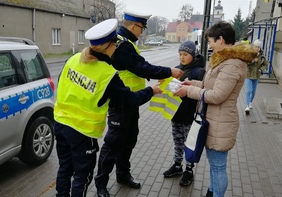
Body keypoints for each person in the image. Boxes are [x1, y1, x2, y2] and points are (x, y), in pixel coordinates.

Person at [53, 18, 162, 197]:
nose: (116, 48)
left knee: (65, 167)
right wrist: (152, 90)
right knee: (82, 175)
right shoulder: (107, 73)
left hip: (60, 123)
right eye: (115, 45)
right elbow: (129, 100)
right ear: (108, 46)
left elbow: (63, 84)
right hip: (82, 132)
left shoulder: (72, 59)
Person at [94, 11, 183, 195]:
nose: (141, 32)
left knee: (129, 139)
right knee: (113, 143)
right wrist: (169, 71)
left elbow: (139, 65)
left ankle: (122, 174)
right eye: (141, 28)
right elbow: (141, 68)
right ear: (133, 26)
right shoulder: (121, 45)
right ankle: (101, 183)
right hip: (121, 102)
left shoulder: (126, 43)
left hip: (132, 101)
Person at [173, 21, 257, 197]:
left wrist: (188, 90)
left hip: (221, 122)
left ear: (220, 39)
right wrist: (192, 83)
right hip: (213, 119)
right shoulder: (223, 59)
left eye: (211, 41)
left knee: (218, 166)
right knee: (214, 165)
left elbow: (217, 95)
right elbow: (208, 85)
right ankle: (212, 192)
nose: (209, 45)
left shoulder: (232, 64)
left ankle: (217, 193)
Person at [163, 41, 206, 186]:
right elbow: (170, 89)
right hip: (176, 114)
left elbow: (201, 93)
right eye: (180, 54)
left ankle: (189, 170)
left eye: (185, 54)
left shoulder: (199, 72)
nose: (182, 57)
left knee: (189, 143)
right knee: (177, 141)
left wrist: (186, 90)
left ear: (193, 55)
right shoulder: (176, 69)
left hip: (190, 115)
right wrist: (164, 82)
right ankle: (177, 166)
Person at [245, 39, 268, 115]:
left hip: (256, 75)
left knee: (253, 91)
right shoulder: (249, 54)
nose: (257, 48)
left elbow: (265, 65)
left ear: (260, 48)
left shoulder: (262, 56)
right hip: (248, 75)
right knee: (248, 91)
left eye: (259, 47)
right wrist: (252, 60)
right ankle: (247, 106)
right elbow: (245, 62)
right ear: (253, 47)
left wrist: (261, 70)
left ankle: (250, 101)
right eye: (256, 46)